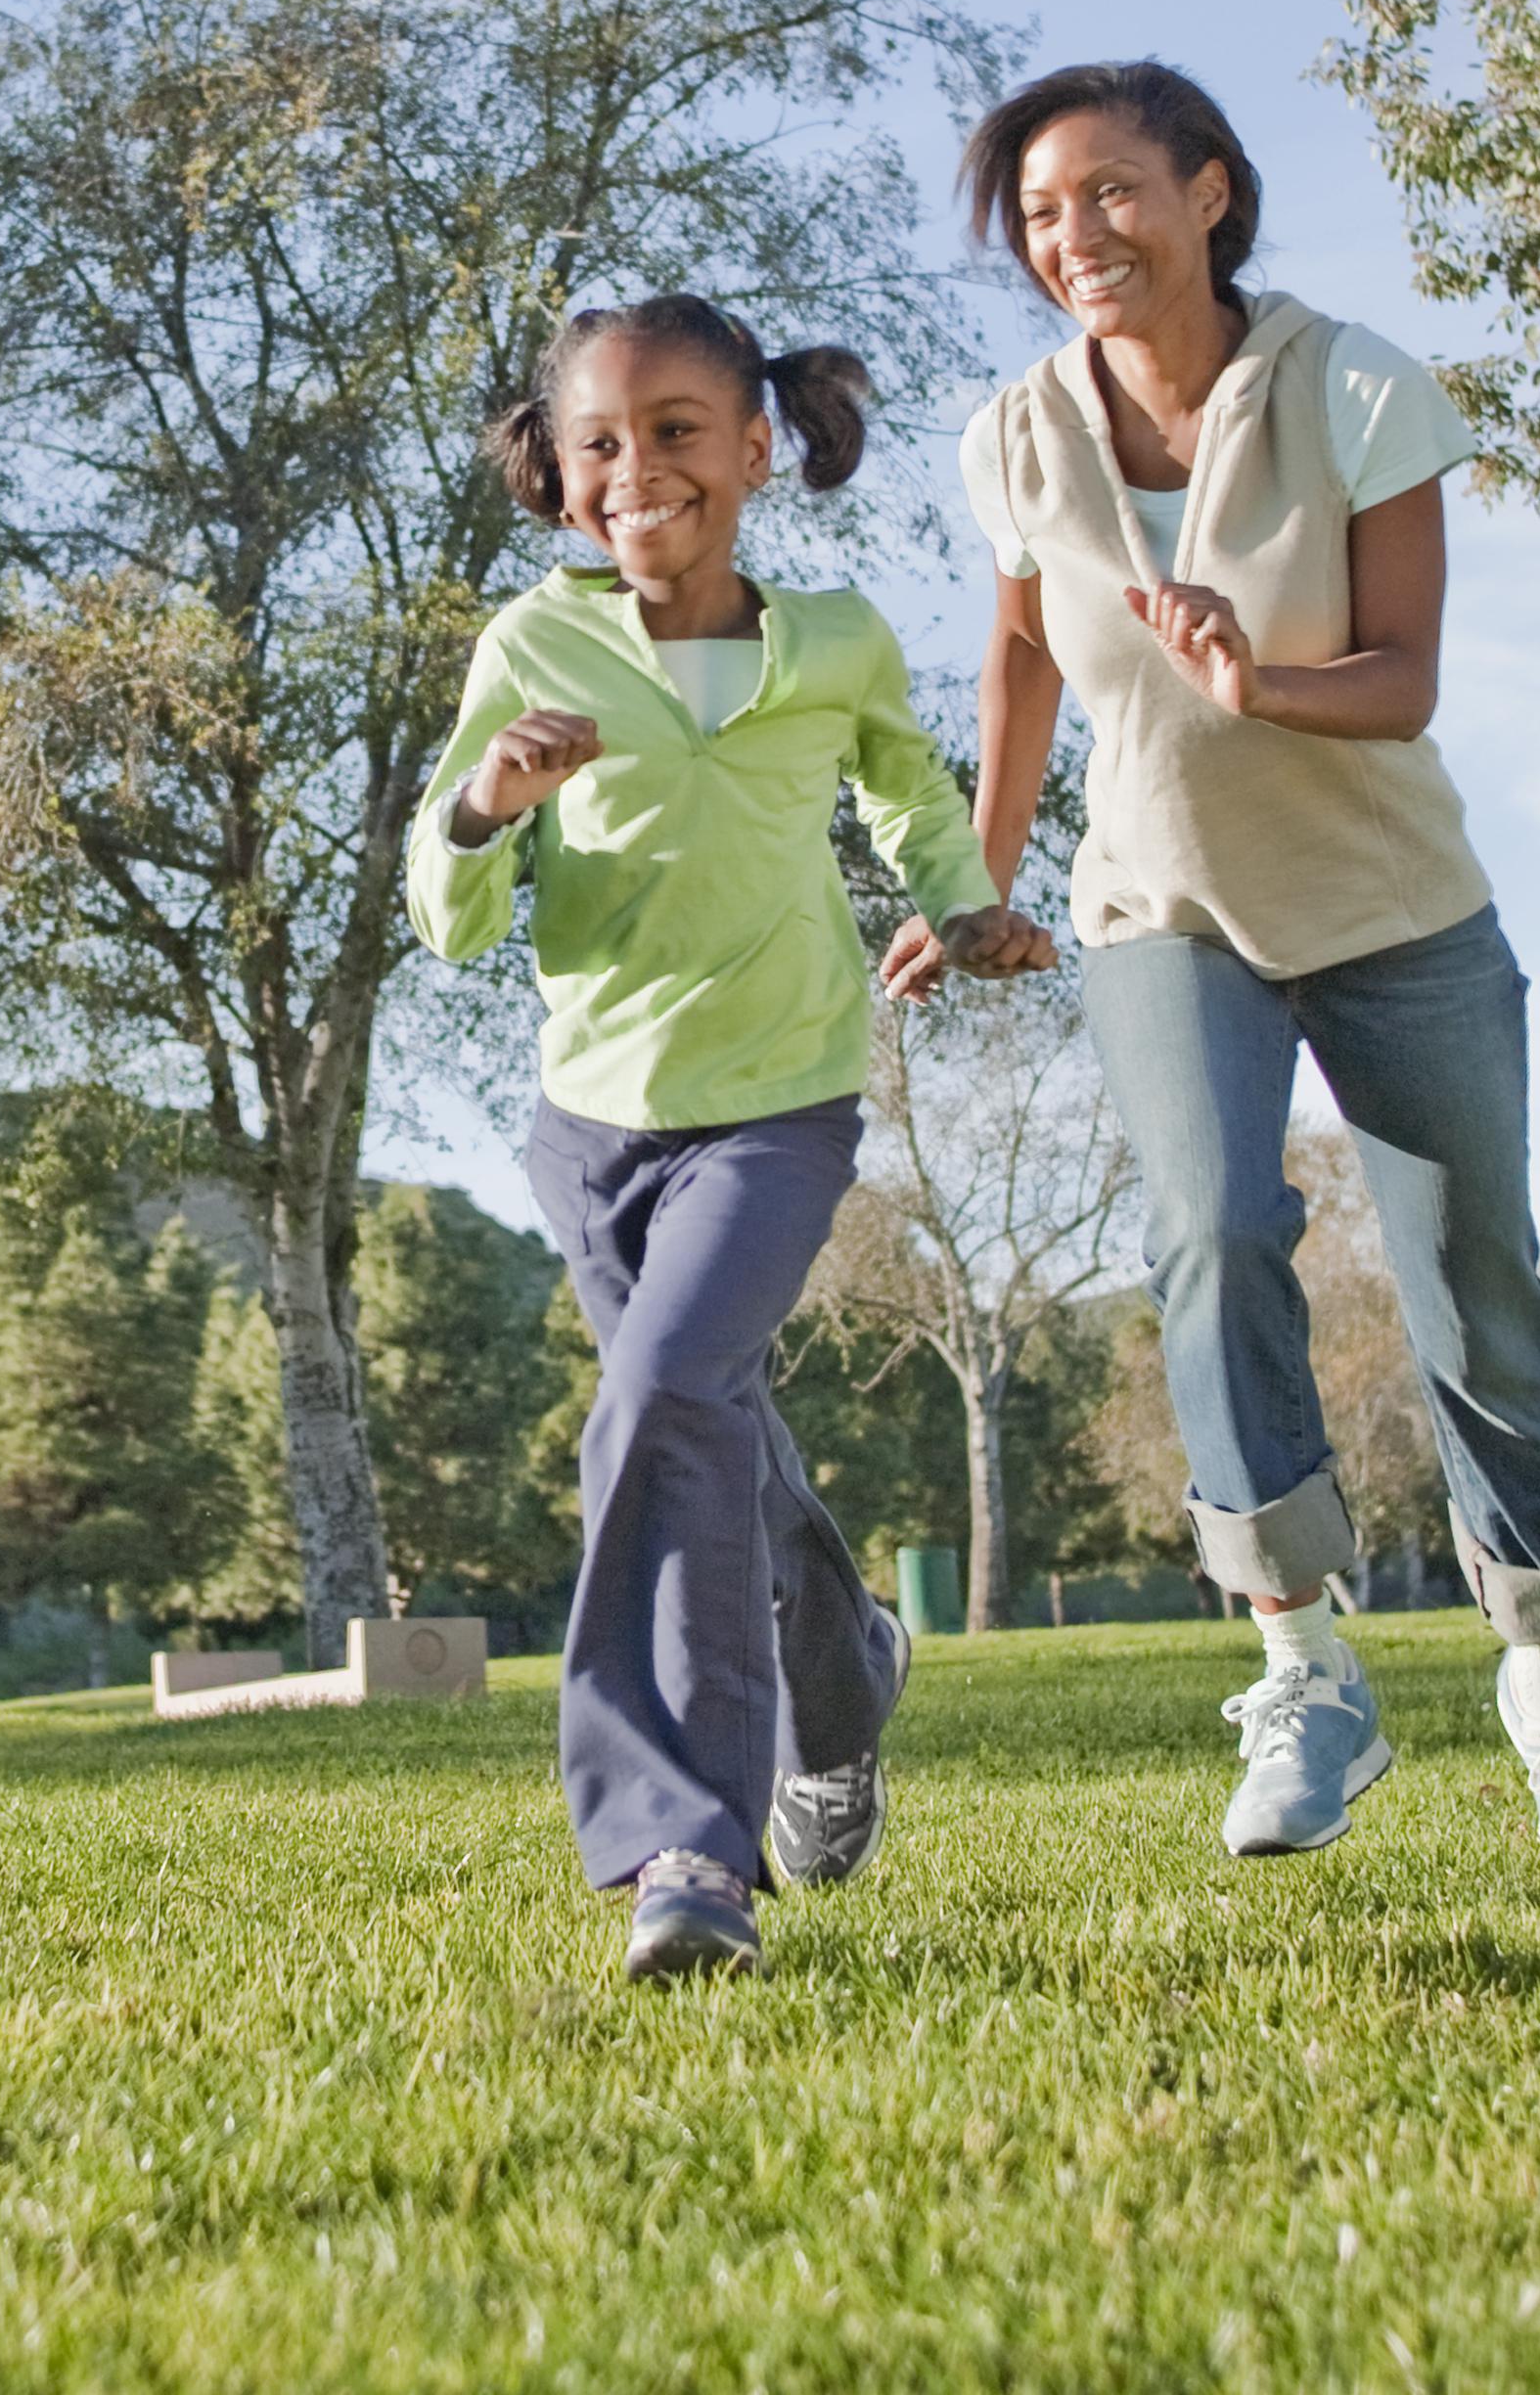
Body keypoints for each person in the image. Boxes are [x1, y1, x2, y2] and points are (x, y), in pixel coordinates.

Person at [948, 60, 1540, 1852]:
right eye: (1039, 214)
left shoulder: (1354, 386)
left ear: (1210, 194)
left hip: (1394, 913)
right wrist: (982, 875)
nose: (1075, 237)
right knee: (1209, 1231)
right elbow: (1022, 663)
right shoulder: (1021, 434)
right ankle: (1305, 1671)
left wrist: (1261, 681)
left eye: (1111, 192)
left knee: (1477, 1294)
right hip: (1159, 899)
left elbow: (1406, 676)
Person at [407, 294, 1030, 1982]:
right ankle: (849, 1670)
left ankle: (686, 1844)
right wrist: (484, 811)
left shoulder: (830, 642)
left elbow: (907, 787)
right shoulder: (531, 646)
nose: (641, 470)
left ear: (757, 448)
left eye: (680, 431)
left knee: (663, 1404)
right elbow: (447, 914)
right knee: (711, 1434)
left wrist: (963, 905)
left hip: (779, 1104)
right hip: (588, 1126)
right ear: (558, 475)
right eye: (601, 443)